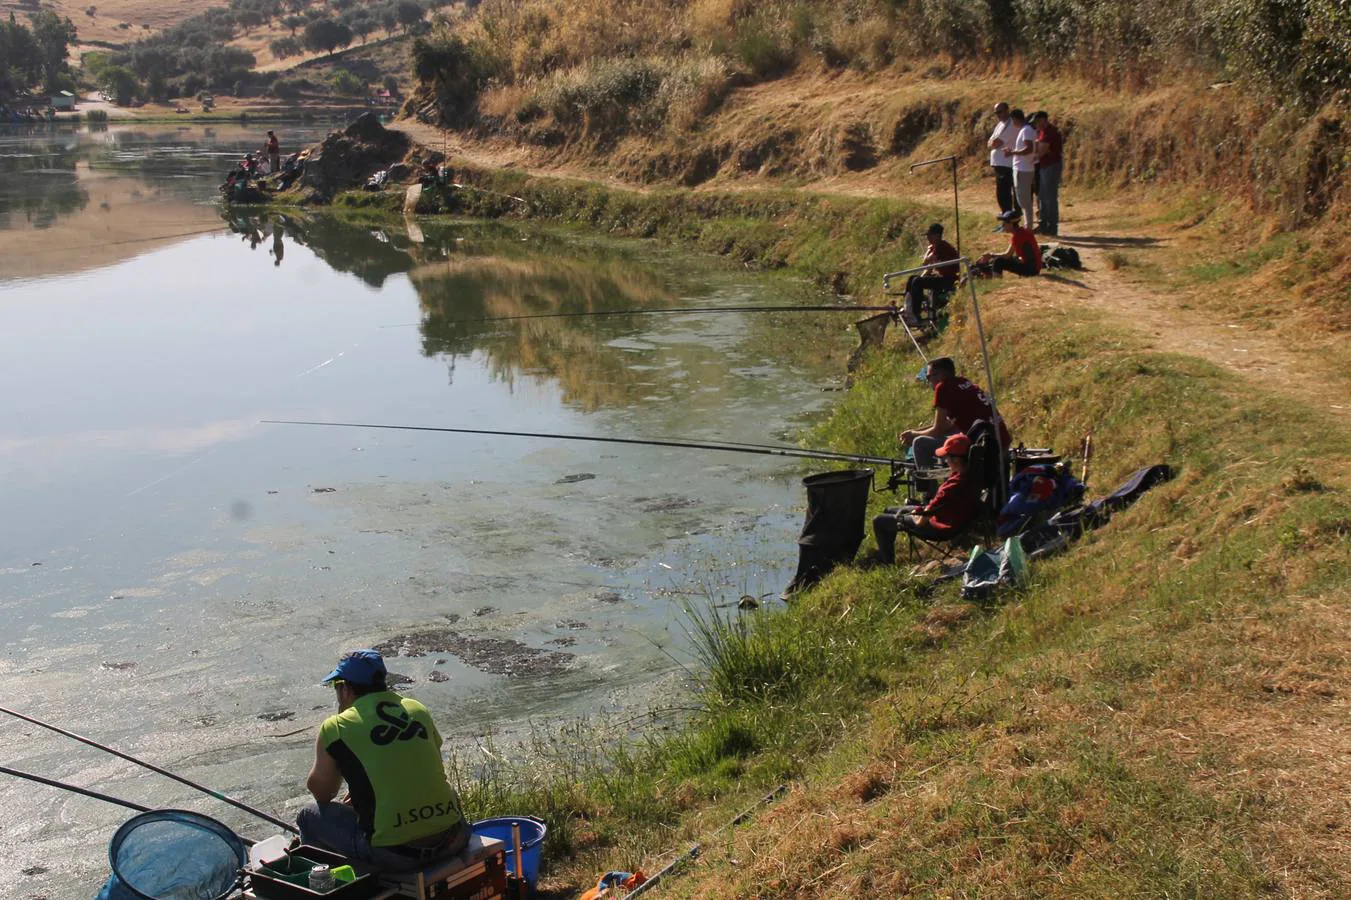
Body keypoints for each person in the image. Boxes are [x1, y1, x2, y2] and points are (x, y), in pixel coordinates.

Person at [297, 650, 470, 872]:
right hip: (454, 837)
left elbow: (322, 793)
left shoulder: (337, 727)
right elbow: (426, 766)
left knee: (308, 816)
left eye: (336, 686)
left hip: (396, 854)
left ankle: (330, 885)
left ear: (345, 688)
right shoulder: (417, 710)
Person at [872, 433, 982, 564]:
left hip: (940, 526)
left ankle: (887, 562)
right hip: (950, 517)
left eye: (946, 457)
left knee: (878, 520)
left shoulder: (953, 486)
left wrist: (915, 514)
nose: (945, 460)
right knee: (889, 510)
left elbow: (921, 522)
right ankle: (886, 551)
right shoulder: (970, 475)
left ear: (957, 459)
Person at [900, 356, 1011, 471]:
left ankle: (931, 488)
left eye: (929, 377)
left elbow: (938, 430)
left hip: (983, 444)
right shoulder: (964, 382)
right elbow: (948, 424)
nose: (928, 381)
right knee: (951, 433)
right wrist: (918, 431)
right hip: (1002, 439)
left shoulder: (942, 387)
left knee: (920, 443)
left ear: (940, 375)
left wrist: (913, 435)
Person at [901, 223, 960, 326]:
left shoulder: (941, 246)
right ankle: (908, 307)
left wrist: (928, 251)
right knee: (913, 279)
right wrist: (918, 279)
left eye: (929, 235)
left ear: (937, 235)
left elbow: (926, 262)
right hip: (942, 278)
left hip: (949, 280)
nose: (927, 238)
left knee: (917, 281)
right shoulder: (936, 246)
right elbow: (928, 268)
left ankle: (915, 314)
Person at [975, 209, 1043, 278]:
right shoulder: (1021, 232)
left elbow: (1007, 255)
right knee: (997, 260)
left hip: (1031, 270)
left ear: (1011, 224)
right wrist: (991, 256)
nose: (1003, 225)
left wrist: (991, 255)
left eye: (1004, 223)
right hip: (1033, 268)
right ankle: (990, 276)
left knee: (998, 262)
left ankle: (997, 283)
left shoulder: (1017, 236)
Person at [1032, 111, 1063, 236]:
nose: (1036, 125)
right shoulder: (1042, 132)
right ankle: (1043, 223)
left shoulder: (1050, 132)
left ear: (1043, 120)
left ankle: (1051, 225)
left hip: (1051, 165)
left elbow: (1041, 150)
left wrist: (1031, 156)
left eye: (1037, 122)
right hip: (1045, 165)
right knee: (1042, 196)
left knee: (1049, 197)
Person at [1005, 109, 1038, 221]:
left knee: (1024, 200)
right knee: (1022, 199)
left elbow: (1028, 149)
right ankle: (1027, 224)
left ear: (1015, 119)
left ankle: (1028, 225)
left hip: (1023, 169)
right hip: (1023, 168)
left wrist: (1012, 152)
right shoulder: (1026, 130)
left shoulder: (1026, 130)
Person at [986, 102, 1014, 214]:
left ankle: (1009, 218)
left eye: (1000, 112)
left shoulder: (1010, 124)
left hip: (1006, 163)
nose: (998, 115)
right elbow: (989, 142)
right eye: (996, 113)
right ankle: (1005, 217)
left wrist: (993, 143)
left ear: (1007, 110)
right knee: (1000, 193)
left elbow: (996, 143)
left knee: (1004, 193)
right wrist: (992, 143)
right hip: (999, 164)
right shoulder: (1000, 124)